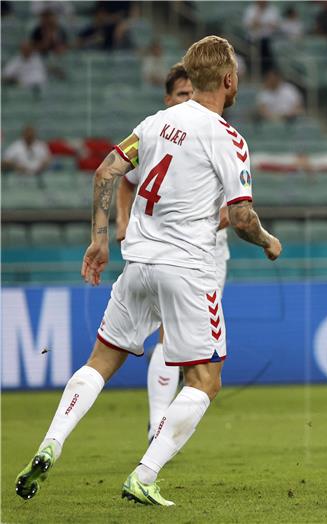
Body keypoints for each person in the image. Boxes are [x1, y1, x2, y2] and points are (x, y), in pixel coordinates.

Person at [15, 35, 282, 506]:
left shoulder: (156, 124)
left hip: (137, 264)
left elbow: (105, 172)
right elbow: (241, 218)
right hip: (187, 270)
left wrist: (100, 238)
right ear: (227, 78)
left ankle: (50, 444)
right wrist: (266, 240)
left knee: (100, 361)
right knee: (205, 381)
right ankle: (145, 473)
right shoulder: (228, 138)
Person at [115, 63, 227, 445]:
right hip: (173, 254)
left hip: (204, 253)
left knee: (183, 348)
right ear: (171, 98)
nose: (188, 99)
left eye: (192, 92)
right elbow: (125, 182)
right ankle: (158, 425)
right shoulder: (162, 132)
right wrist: (121, 223)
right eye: (181, 94)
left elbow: (230, 210)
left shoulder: (214, 137)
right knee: (172, 341)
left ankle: (162, 425)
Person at [243, 1, 280, 75]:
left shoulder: (273, 9)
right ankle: (255, 71)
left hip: (268, 38)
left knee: (269, 47)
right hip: (253, 38)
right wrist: (259, 15)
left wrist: (261, 24)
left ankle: (268, 71)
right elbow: (250, 25)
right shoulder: (251, 9)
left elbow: (275, 26)